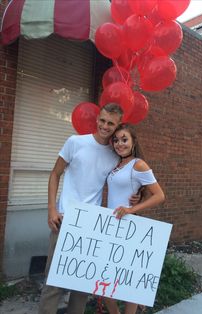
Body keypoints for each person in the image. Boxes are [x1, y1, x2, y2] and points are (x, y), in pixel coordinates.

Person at [38, 103, 139, 314]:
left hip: (91, 225)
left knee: (82, 286)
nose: (105, 126)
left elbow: (125, 180)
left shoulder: (115, 155)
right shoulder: (75, 142)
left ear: (117, 125)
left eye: (110, 123)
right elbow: (55, 174)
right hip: (65, 219)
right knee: (53, 284)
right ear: (97, 119)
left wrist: (135, 197)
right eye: (102, 120)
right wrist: (51, 210)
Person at [104, 123, 165, 314]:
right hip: (110, 226)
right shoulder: (116, 164)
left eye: (124, 139)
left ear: (133, 142)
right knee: (104, 282)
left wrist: (132, 209)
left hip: (128, 227)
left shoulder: (138, 164)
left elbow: (159, 195)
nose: (119, 144)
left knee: (129, 282)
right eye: (116, 140)